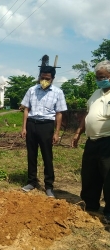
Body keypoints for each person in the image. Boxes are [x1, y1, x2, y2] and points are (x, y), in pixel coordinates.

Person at [71, 60, 110, 220]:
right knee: (89, 174)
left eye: (103, 77)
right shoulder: (95, 94)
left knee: (108, 176)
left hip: (107, 142)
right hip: (92, 141)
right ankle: (91, 204)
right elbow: (87, 115)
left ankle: (109, 211)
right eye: (98, 77)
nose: (100, 80)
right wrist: (78, 132)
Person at [20, 65, 67, 198]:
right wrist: (24, 127)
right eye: (42, 78)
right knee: (31, 154)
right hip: (31, 124)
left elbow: (59, 113)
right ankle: (31, 182)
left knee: (47, 156)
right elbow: (26, 109)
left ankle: (49, 186)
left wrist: (56, 132)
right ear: (39, 76)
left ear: (52, 79)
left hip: (46, 126)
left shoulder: (58, 92)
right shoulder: (32, 90)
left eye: (47, 78)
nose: (44, 81)